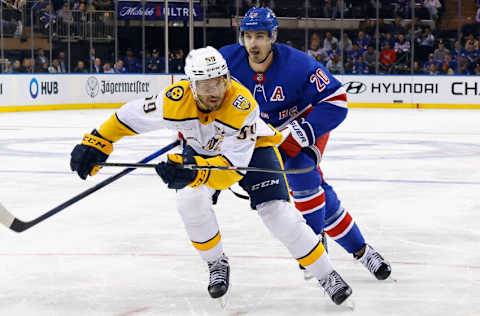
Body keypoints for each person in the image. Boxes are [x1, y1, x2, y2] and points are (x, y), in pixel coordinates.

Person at [69, 46, 352, 306]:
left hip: (252, 151)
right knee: (189, 201)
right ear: (192, 86)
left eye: (219, 81)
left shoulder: (242, 107)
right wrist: (97, 142)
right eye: (206, 85)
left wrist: (192, 173)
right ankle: (216, 263)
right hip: (202, 150)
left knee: (277, 213)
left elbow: (230, 172)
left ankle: (326, 274)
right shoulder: (173, 101)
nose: (215, 90)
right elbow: (128, 117)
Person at [220, 7, 391, 281]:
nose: (253, 44)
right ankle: (362, 251)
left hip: (303, 124)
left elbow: (336, 99)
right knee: (317, 190)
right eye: (248, 36)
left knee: (301, 172)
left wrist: (301, 132)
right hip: (261, 135)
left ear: (273, 37)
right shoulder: (226, 60)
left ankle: (313, 243)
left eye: (260, 36)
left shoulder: (297, 64)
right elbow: (198, 96)